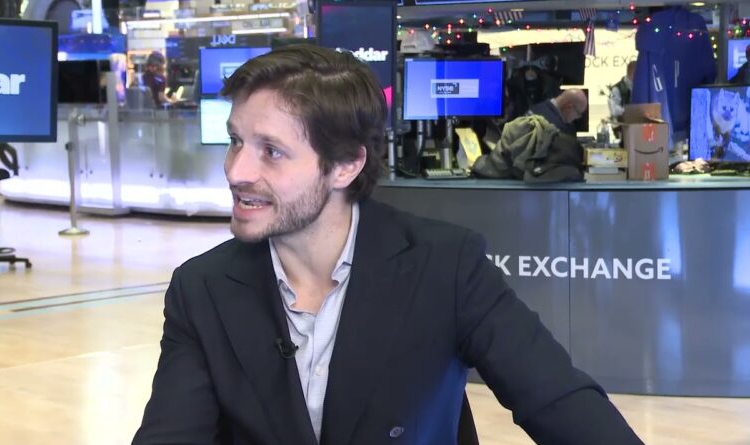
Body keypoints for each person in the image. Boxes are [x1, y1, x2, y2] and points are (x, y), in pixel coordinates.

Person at [132, 45, 643, 445]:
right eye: (236, 141)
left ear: (346, 165)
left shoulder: (446, 265)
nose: (236, 171)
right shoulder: (203, 288)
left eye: (272, 151)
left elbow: (559, 402)